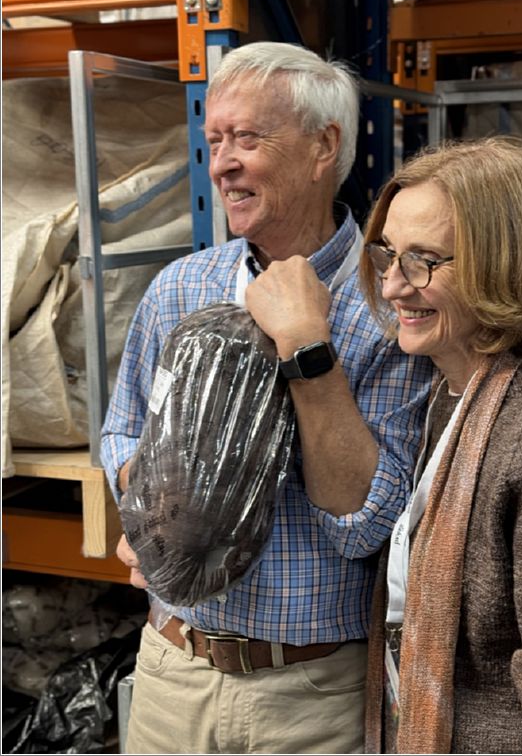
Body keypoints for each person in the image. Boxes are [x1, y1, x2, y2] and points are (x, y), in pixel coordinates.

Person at [100, 41, 434, 755]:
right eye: (215, 139)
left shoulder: (393, 308)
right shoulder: (180, 288)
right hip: (171, 672)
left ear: (324, 146)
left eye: (247, 138)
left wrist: (308, 351)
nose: (221, 162)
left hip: (309, 699)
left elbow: (363, 526)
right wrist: (153, 505)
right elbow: (124, 432)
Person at [360, 135, 522, 754]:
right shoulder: (451, 398)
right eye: (389, 255)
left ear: (508, 266)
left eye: (424, 261)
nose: (392, 286)